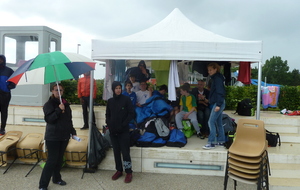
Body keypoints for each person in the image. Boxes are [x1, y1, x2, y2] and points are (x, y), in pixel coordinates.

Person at [39, 84, 78, 190]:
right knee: (51, 160)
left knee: (59, 159)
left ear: (63, 91)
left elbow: (68, 120)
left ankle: (57, 178)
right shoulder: (49, 104)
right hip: (53, 137)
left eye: (60, 90)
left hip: (64, 136)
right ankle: (43, 185)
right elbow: (49, 119)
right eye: (56, 90)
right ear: (52, 91)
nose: (58, 92)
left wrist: (73, 132)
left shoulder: (66, 104)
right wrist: (58, 110)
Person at [106, 81, 135, 183]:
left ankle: (128, 172)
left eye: (119, 88)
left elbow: (131, 113)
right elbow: (107, 115)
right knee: (116, 152)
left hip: (123, 131)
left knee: (125, 152)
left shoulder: (126, 100)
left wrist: (123, 125)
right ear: (113, 89)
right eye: (116, 88)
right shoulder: (110, 101)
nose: (118, 90)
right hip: (113, 132)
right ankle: (119, 170)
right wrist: (110, 125)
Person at [203, 63, 226, 150]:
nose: (209, 72)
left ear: (216, 69)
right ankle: (221, 141)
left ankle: (211, 142)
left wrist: (218, 105)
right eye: (208, 70)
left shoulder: (217, 79)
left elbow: (220, 92)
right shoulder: (218, 78)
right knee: (218, 123)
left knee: (211, 122)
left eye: (211, 70)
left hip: (218, 103)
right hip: (218, 102)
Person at [0, 55, 16, 135]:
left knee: (4, 112)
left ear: (4, 60)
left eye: (1, 59)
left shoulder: (9, 71)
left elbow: (14, 81)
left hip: (5, 94)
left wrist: (9, 87)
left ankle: (2, 128)